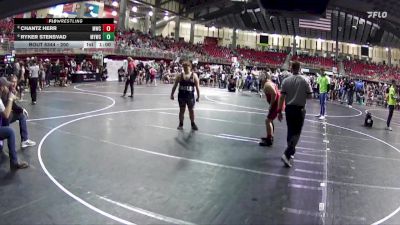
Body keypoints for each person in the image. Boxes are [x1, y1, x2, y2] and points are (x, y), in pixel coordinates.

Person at [277, 61, 313, 168]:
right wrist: (301, 95)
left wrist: (279, 111)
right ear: (300, 68)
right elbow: (310, 96)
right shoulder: (305, 80)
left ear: (291, 68)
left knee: (290, 130)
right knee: (297, 133)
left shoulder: (286, 81)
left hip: (289, 109)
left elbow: (282, 97)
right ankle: (287, 153)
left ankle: (291, 151)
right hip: (299, 109)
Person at [0, 78, 29, 170]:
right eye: (6, 86)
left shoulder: (5, 94)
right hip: (4, 120)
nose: (8, 86)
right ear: (2, 87)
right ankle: (14, 163)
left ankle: (24, 140)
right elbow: (6, 114)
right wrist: (11, 99)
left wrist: (13, 98)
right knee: (10, 132)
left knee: (19, 116)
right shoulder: (3, 97)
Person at [170, 61, 200, 130]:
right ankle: (181, 124)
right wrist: (172, 94)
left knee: (191, 110)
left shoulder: (194, 75)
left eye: (187, 67)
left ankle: (193, 124)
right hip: (182, 96)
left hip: (190, 97)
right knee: (181, 110)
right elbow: (174, 86)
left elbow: (197, 87)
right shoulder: (180, 75)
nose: (185, 68)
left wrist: (198, 96)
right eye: (184, 67)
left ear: (190, 67)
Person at [259, 72, 283, 146]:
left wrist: (271, 105)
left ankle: (269, 139)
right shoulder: (269, 82)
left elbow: (274, 93)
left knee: (268, 120)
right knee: (270, 120)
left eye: (261, 79)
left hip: (276, 103)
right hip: (277, 103)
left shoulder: (267, 84)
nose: (260, 80)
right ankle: (269, 136)